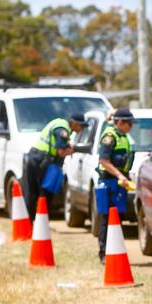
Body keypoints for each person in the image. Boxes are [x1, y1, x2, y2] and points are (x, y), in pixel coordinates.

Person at [22, 113, 88, 221]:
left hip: (36, 157)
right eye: (81, 126)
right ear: (74, 123)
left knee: (32, 193)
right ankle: (38, 224)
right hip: (42, 161)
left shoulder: (60, 123)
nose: (81, 129)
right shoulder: (63, 130)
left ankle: (30, 223)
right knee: (44, 194)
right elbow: (61, 152)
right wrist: (73, 150)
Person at [96, 108, 135, 264]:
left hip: (120, 182)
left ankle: (114, 249)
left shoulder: (123, 136)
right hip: (109, 182)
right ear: (120, 122)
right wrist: (120, 176)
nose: (131, 127)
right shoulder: (110, 137)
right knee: (108, 217)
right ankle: (104, 252)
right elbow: (104, 160)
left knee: (118, 217)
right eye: (129, 123)